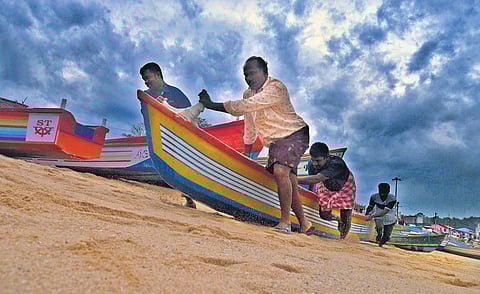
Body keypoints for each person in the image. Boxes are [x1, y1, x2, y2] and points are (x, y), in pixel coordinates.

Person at [198, 56, 312, 234]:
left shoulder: (276, 87)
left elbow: (245, 106)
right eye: (245, 75)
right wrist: (246, 152)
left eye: (252, 73)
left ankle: (285, 222)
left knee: (281, 171)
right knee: (289, 178)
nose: (248, 78)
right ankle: (305, 223)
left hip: (295, 133)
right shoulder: (248, 93)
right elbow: (250, 124)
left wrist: (211, 105)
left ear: (264, 72)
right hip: (275, 140)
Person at [140, 62, 197, 209]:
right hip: (159, 138)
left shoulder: (176, 93)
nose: (146, 82)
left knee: (184, 167)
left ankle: (190, 200)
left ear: (158, 75)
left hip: (180, 138)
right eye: (144, 80)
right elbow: (146, 117)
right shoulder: (146, 96)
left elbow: (190, 114)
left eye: (147, 77)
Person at [297, 142, 356, 239]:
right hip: (326, 184)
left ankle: (343, 239)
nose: (315, 164)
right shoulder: (312, 165)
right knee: (324, 215)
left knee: (346, 216)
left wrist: (293, 179)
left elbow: (315, 179)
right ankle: (338, 219)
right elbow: (311, 181)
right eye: (313, 160)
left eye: (318, 161)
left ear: (326, 157)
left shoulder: (337, 164)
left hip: (345, 186)